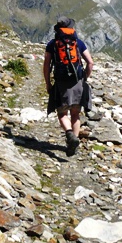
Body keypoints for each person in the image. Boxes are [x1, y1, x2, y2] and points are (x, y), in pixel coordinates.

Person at [43, 16, 94, 156]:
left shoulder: (52, 44)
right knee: (76, 114)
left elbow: (46, 65)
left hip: (60, 82)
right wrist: (84, 78)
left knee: (62, 113)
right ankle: (75, 143)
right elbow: (90, 63)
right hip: (78, 81)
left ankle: (69, 134)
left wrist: (48, 83)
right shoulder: (78, 43)